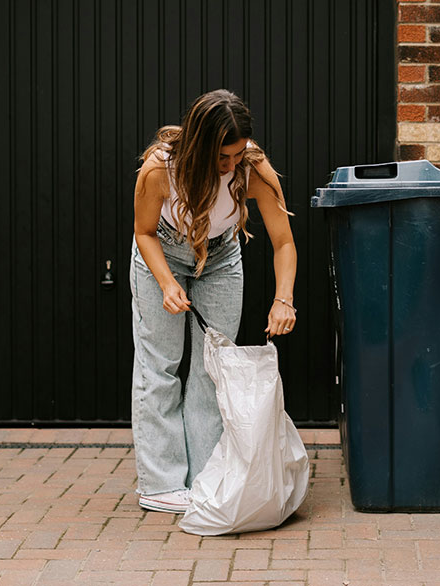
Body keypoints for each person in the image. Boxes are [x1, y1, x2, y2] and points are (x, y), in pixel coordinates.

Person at [129, 89, 297, 513]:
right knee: (160, 365)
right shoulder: (159, 170)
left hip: (220, 257)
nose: (231, 166)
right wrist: (166, 283)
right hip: (162, 253)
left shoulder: (252, 169)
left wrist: (284, 300)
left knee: (212, 366)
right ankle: (161, 484)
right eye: (223, 157)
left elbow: (283, 242)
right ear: (200, 146)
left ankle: (203, 477)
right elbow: (144, 232)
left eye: (238, 154)